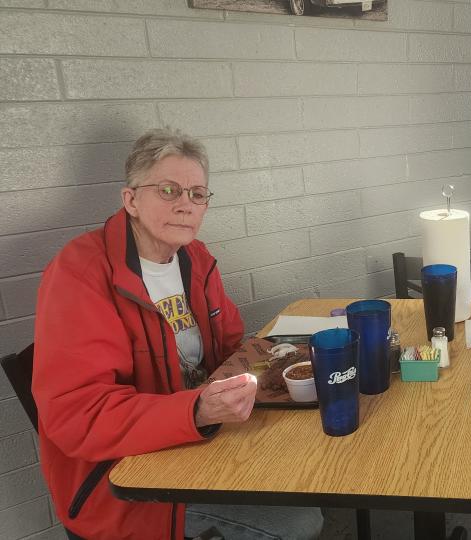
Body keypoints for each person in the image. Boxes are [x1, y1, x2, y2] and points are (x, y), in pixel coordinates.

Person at [33, 128, 324, 539]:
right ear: (131, 200)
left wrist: (282, 357)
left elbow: (228, 351)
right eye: (169, 190)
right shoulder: (79, 274)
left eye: (197, 193)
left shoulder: (195, 258)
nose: (186, 205)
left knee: (310, 464)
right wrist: (196, 412)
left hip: (198, 444)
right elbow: (78, 415)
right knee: (300, 520)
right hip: (124, 484)